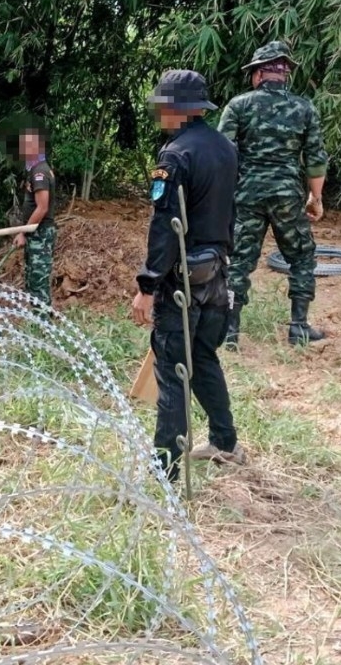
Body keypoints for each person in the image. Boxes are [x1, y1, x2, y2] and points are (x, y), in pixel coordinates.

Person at [131, 69, 245, 483]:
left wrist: (147, 285)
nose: (159, 114)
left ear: (177, 109)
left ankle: (165, 470)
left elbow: (165, 226)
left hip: (182, 277)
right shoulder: (225, 148)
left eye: (163, 107)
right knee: (203, 357)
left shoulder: (175, 155)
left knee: (173, 367)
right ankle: (225, 442)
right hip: (216, 272)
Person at [217, 40, 329, 350]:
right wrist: (315, 199)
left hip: (246, 194)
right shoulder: (304, 108)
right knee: (302, 257)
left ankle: (229, 332)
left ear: (257, 74)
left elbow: (222, 154)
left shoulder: (239, 106)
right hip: (287, 196)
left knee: (238, 260)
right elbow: (316, 160)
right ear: (284, 75)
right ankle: (298, 327)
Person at [13, 127, 58, 309]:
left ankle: (42, 321)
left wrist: (23, 233)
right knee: (32, 275)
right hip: (35, 233)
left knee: (38, 277)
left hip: (40, 233)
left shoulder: (39, 171)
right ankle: (36, 318)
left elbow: (42, 207)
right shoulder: (35, 169)